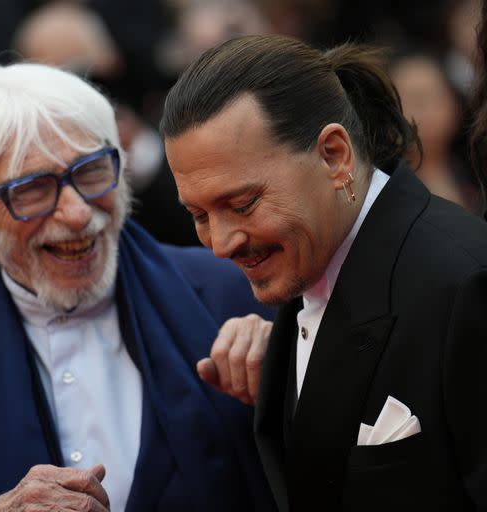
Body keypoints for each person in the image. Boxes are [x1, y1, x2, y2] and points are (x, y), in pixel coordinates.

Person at [0, 62, 276, 511]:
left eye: (91, 172)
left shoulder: (231, 290)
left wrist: (292, 381)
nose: (76, 214)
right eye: (31, 189)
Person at [161, 34, 487, 511]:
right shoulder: (303, 264)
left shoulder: (467, 285)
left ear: (334, 155)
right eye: (200, 215)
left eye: (243, 203)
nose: (221, 243)